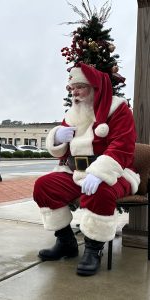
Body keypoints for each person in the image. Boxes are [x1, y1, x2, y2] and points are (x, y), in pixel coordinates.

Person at [33, 62, 140, 276]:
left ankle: (93, 249)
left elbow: (123, 146)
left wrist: (100, 172)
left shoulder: (118, 109)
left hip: (115, 171)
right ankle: (66, 243)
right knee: (44, 186)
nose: (74, 93)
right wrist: (56, 137)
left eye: (79, 87)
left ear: (94, 87)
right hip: (76, 172)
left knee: (98, 191)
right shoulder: (73, 113)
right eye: (72, 89)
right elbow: (63, 153)